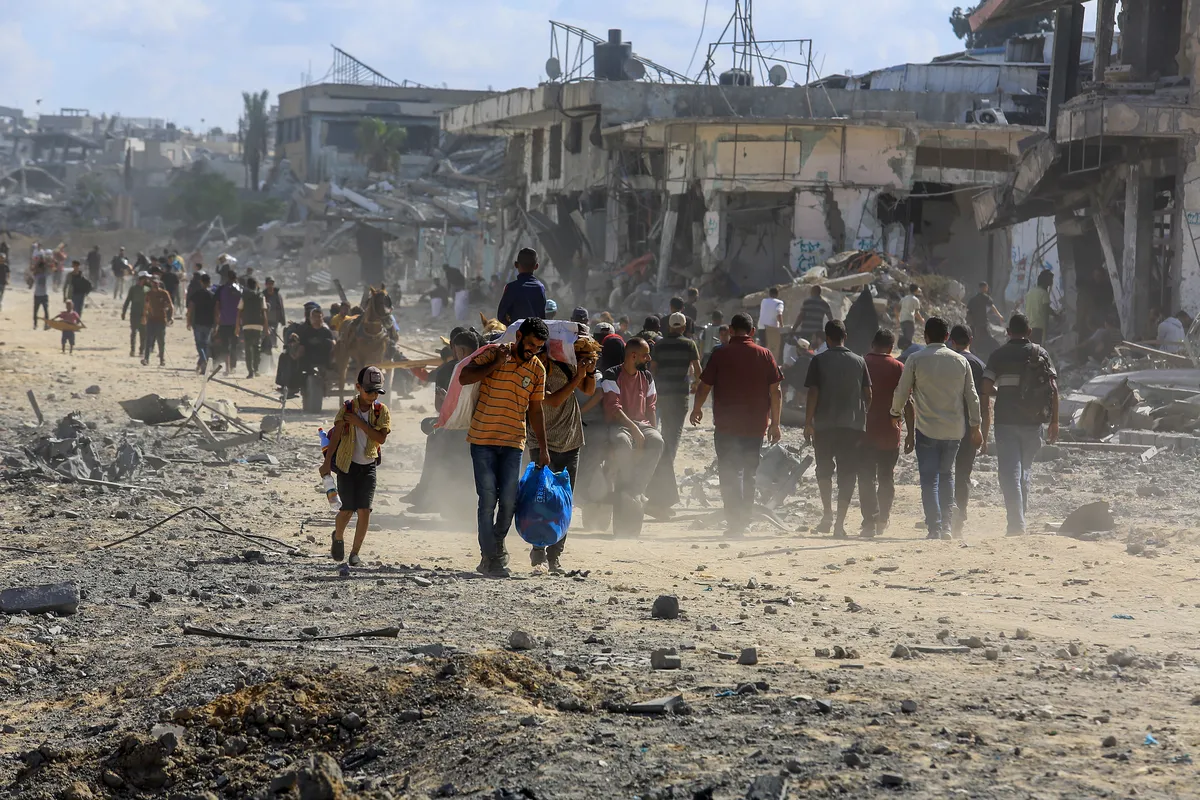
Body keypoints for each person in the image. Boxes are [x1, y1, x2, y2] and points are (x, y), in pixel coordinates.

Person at [459, 317, 551, 578]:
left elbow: (535, 410)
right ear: (519, 336)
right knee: (488, 499)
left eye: (539, 347)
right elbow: (464, 377)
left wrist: (543, 448)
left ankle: (496, 546)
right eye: (531, 344)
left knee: (509, 501)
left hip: (513, 442)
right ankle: (491, 557)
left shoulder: (537, 370)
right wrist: (496, 364)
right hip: (482, 439)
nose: (533, 350)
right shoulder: (494, 354)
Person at [691, 312, 783, 537]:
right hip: (755, 427)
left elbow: (704, 386)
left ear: (731, 330)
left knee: (729, 473)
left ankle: (734, 523)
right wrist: (776, 424)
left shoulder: (720, 354)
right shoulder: (765, 354)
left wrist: (697, 408)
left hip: (727, 427)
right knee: (749, 474)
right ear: (753, 331)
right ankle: (744, 521)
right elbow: (776, 392)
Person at [890, 316, 982, 540]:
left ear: (925, 336)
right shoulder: (960, 361)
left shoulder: (915, 359)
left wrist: (895, 413)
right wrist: (976, 426)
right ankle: (947, 527)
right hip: (954, 431)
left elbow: (902, 391)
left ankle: (934, 527)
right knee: (947, 475)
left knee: (929, 479)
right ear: (947, 337)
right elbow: (972, 396)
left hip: (926, 430)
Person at [981, 313, 1060, 536]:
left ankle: (1016, 524)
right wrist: (1054, 421)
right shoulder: (1041, 353)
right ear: (1029, 332)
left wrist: (1002, 392)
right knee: (1024, 470)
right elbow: (1054, 389)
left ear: (1008, 332)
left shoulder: (999, 355)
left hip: (1006, 421)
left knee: (1009, 473)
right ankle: (1020, 518)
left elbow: (985, 388)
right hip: (1033, 422)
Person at [527, 336, 598, 574]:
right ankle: (538, 548)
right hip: (542, 442)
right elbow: (554, 400)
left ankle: (555, 556)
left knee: (564, 502)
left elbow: (589, 389)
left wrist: (589, 371)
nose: (539, 357)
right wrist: (578, 376)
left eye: (542, 352)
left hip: (570, 441)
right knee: (540, 500)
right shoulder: (531, 374)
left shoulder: (564, 367)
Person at [804, 320, 871, 538]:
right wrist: (861, 415)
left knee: (824, 469)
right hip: (851, 427)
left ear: (827, 338)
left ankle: (827, 515)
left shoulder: (818, 360)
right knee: (847, 473)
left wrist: (808, 422)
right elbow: (868, 394)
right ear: (845, 337)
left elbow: (813, 392)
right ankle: (839, 524)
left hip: (824, 426)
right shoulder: (859, 361)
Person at [320, 366, 392, 566]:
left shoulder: (381, 411)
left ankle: (354, 554)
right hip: (347, 466)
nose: (373, 396)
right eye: (369, 391)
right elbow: (336, 437)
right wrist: (327, 463)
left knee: (364, 511)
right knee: (347, 510)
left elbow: (380, 439)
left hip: (368, 467)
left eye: (376, 392)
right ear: (358, 387)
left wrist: (359, 423)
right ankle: (338, 536)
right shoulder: (347, 409)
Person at [601, 337, 665, 535]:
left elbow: (651, 407)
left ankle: (635, 489)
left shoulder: (647, 377)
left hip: (642, 425)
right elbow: (614, 407)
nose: (649, 359)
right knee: (623, 443)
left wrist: (652, 431)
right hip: (619, 425)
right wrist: (635, 431)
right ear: (633, 356)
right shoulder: (612, 375)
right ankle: (628, 485)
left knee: (658, 441)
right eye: (646, 355)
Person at [646, 312, 702, 518]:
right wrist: (696, 384)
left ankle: (658, 494)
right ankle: (659, 498)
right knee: (670, 444)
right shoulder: (689, 344)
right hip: (679, 398)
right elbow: (698, 370)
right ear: (684, 327)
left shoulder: (659, 345)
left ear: (669, 326)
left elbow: (652, 371)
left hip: (661, 396)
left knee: (661, 439)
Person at [859, 329, 909, 537]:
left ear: (872, 344)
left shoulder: (861, 363)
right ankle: (882, 520)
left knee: (866, 477)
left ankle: (869, 523)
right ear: (891, 347)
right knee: (886, 477)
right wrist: (910, 433)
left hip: (864, 431)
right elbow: (907, 401)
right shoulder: (899, 367)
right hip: (890, 432)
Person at [948, 324, 986, 538]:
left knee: (943, 472)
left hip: (945, 425)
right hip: (970, 427)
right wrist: (981, 430)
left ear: (951, 341)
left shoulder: (947, 362)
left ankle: (941, 517)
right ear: (971, 339)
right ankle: (959, 518)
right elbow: (983, 402)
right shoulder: (979, 365)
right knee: (963, 474)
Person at [497, 248, 547, 325]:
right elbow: (542, 315)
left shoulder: (511, 287)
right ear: (536, 266)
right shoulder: (540, 287)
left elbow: (501, 315)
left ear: (516, 265)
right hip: (536, 331)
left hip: (517, 331)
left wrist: (512, 325)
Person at [213, 269, 243, 372]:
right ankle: (233, 367)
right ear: (236, 278)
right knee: (234, 345)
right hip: (236, 323)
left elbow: (216, 304)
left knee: (225, 346)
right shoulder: (240, 289)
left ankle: (227, 367)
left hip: (224, 322)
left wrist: (217, 318)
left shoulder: (221, 289)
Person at [187, 272, 216, 374]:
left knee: (200, 345)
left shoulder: (196, 294)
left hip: (198, 323)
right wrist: (216, 323)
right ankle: (203, 364)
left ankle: (203, 362)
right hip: (208, 323)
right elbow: (216, 310)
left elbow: (190, 308)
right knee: (205, 344)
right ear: (209, 282)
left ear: (201, 282)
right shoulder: (212, 295)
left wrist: (188, 321)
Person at [238, 278, 268, 378]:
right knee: (257, 347)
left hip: (246, 324)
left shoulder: (244, 296)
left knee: (248, 348)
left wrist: (237, 326)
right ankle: (256, 369)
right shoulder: (261, 296)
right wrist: (266, 326)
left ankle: (250, 371)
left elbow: (239, 311)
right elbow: (264, 312)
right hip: (258, 324)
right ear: (256, 285)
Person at [966, 282, 1004, 361]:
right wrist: (1000, 316)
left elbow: (968, 311)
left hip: (974, 323)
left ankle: (971, 352)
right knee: (989, 337)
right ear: (984, 288)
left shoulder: (973, 299)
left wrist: (969, 321)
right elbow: (992, 307)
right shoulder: (985, 297)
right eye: (986, 287)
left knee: (974, 338)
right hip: (982, 323)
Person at [141, 278, 174, 367]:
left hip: (161, 320)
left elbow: (171, 306)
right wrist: (144, 316)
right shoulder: (149, 294)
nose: (155, 286)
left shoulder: (164, 293)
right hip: (151, 319)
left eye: (156, 284)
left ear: (159, 284)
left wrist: (171, 317)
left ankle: (162, 359)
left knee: (161, 341)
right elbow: (146, 306)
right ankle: (146, 359)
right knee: (148, 340)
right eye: (153, 284)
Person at [122, 272, 150, 357]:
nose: (148, 280)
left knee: (143, 333)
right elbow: (128, 300)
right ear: (142, 279)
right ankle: (132, 350)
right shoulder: (133, 289)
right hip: (134, 313)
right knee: (134, 332)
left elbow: (149, 301)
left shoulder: (146, 288)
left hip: (144, 314)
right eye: (146, 278)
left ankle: (141, 350)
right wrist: (124, 312)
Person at [1024, 269, 1053, 344]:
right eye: (1050, 280)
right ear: (1046, 281)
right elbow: (1046, 311)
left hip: (1028, 326)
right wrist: (1045, 333)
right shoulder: (1044, 294)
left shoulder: (1030, 292)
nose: (1052, 283)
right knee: (1036, 348)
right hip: (1038, 328)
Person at [757, 286, 785, 358]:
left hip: (761, 326)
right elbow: (779, 313)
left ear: (769, 294)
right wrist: (782, 326)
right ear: (777, 294)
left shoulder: (763, 301)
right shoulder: (779, 303)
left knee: (763, 346)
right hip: (771, 328)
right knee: (773, 348)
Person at [262, 276, 286, 357]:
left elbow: (281, 307)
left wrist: (283, 320)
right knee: (265, 335)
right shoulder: (263, 295)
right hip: (265, 319)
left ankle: (273, 351)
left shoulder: (277, 295)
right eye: (269, 283)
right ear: (266, 284)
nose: (270, 285)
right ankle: (266, 351)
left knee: (273, 335)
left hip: (275, 319)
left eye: (272, 283)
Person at [898, 284, 924, 350]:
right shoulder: (915, 300)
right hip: (909, 320)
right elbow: (916, 313)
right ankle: (907, 352)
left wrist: (897, 319)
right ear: (916, 290)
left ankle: (903, 351)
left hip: (902, 320)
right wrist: (921, 320)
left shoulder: (904, 298)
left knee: (904, 338)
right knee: (908, 339)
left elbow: (898, 308)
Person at [30, 258, 50, 329]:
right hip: (38, 295)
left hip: (43, 295)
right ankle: (35, 324)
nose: (41, 269)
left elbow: (50, 267)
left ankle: (46, 324)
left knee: (45, 311)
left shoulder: (45, 274)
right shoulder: (36, 275)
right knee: (36, 311)